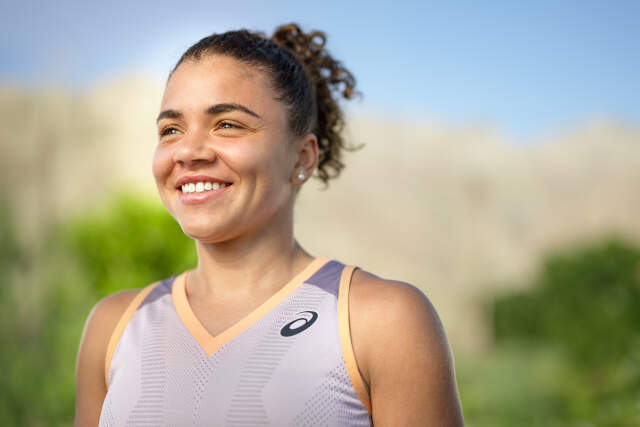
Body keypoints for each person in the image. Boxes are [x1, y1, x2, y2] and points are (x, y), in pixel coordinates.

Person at [74, 23, 465, 426]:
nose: (188, 151)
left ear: (302, 158)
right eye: (171, 130)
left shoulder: (381, 321)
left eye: (227, 124)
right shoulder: (114, 325)